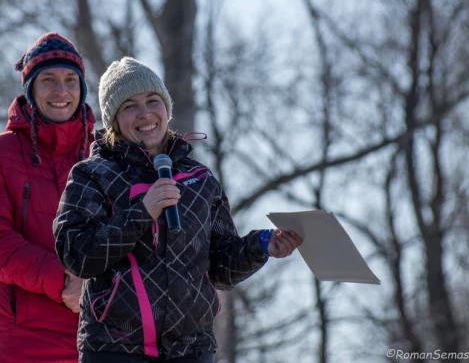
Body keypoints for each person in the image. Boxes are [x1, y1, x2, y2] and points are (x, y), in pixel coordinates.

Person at [53, 57, 303, 363]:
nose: (145, 113)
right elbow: (77, 255)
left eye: (153, 100)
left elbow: (221, 268)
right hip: (115, 350)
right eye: (129, 106)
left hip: (192, 351)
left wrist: (263, 244)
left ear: (166, 109)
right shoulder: (93, 174)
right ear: (114, 119)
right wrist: (142, 213)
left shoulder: (199, 179)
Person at [0, 32, 95, 362]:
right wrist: (63, 279)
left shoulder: (105, 156)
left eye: (70, 80)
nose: (61, 91)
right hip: (23, 343)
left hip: (102, 339)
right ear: (30, 89)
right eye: (48, 80)